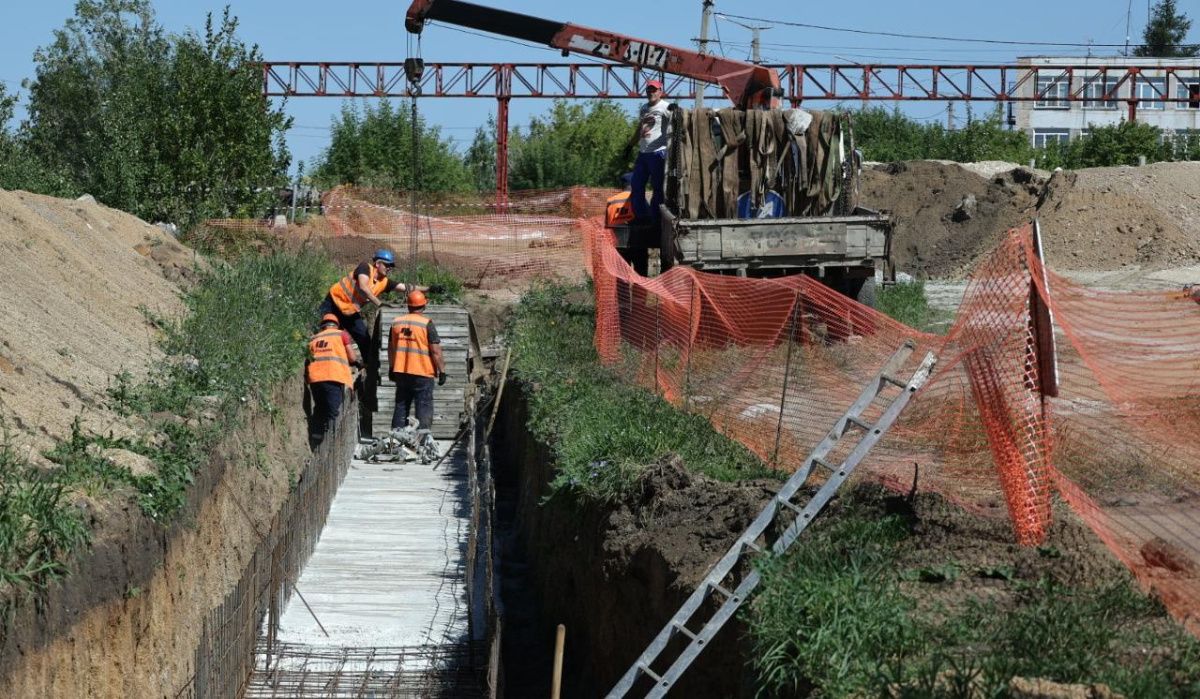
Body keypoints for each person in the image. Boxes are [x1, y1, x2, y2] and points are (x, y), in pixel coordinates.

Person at [318, 249, 420, 355]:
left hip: (349, 312)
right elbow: (363, 286)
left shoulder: (384, 282)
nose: (389, 268)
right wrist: (379, 303)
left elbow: (406, 287)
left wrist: (430, 289)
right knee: (324, 335)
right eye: (387, 265)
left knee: (365, 340)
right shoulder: (365, 267)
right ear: (377, 263)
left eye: (391, 266)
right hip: (332, 304)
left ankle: (367, 366)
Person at [388, 289, 446, 434]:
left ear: (408, 306)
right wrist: (442, 371)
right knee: (423, 406)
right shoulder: (426, 324)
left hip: (401, 372)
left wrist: (391, 368)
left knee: (401, 405)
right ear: (424, 306)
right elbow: (436, 351)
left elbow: (390, 349)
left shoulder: (396, 323)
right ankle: (423, 440)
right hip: (423, 373)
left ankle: (396, 439)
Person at [306, 313, 360, 448]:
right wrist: (358, 364)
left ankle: (316, 440)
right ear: (336, 324)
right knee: (333, 412)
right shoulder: (341, 335)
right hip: (333, 377)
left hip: (315, 379)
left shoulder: (313, 338)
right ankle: (332, 445)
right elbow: (352, 358)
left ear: (322, 326)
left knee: (319, 408)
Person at [627, 79, 672, 226]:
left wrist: (676, 111)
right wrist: (630, 145)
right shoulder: (644, 108)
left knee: (657, 187)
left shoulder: (665, 107)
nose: (651, 92)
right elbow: (641, 128)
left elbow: (678, 123)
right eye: (649, 90)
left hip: (658, 153)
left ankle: (655, 219)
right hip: (643, 153)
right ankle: (641, 217)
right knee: (636, 184)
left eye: (654, 90)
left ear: (660, 92)